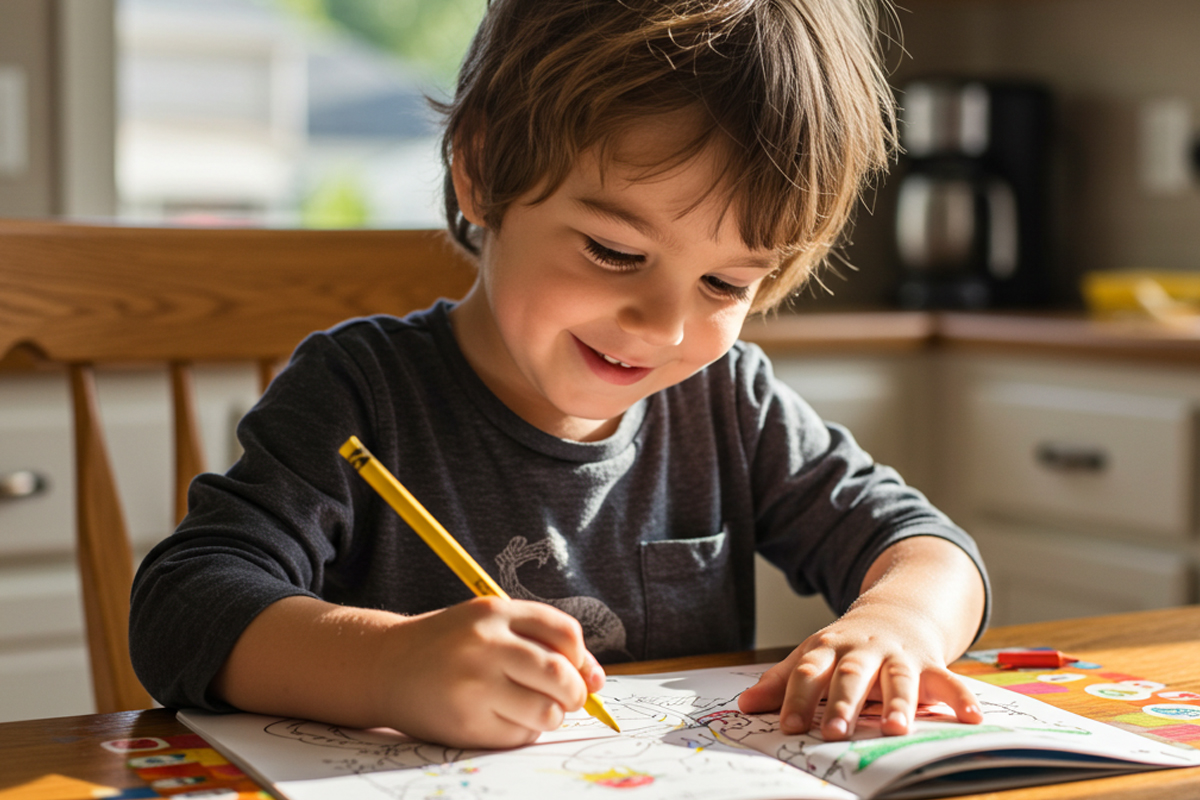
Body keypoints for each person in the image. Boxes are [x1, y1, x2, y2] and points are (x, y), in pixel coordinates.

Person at [130, 0, 989, 750]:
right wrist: (387, 667)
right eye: (615, 252)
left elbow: (926, 548)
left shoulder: (727, 402)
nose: (664, 323)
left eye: (725, 284)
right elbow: (181, 607)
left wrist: (897, 623)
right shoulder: (361, 392)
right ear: (480, 171)